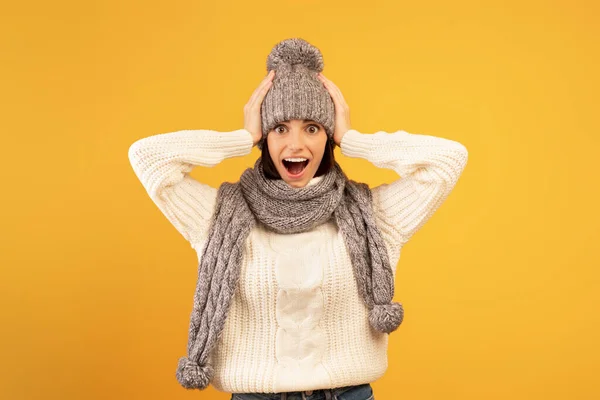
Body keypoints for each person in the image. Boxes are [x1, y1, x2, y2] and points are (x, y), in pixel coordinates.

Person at [127, 38, 468, 400]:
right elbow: (148, 157)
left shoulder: (373, 216)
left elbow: (448, 159)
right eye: (280, 128)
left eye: (311, 128)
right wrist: (242, 137)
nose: (295, 145)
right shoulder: (219, 216)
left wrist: (353, 139)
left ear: (327, 137)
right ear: (265, 138)